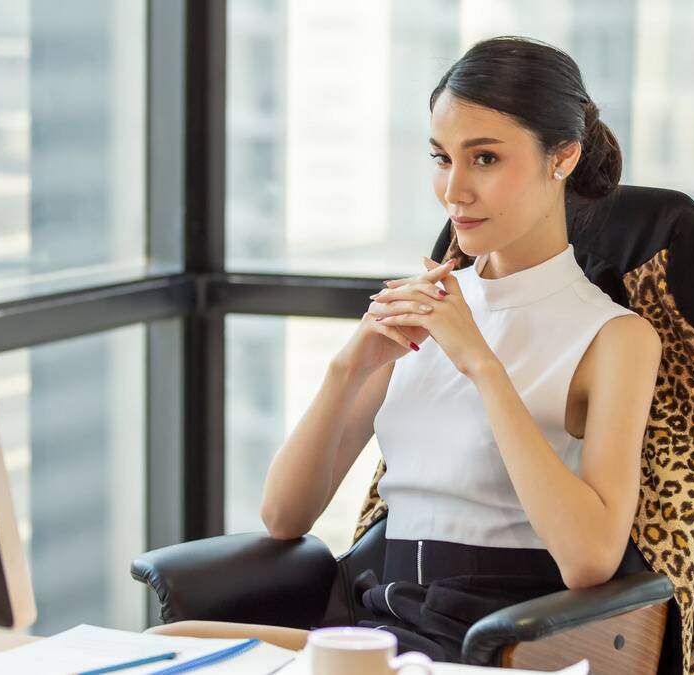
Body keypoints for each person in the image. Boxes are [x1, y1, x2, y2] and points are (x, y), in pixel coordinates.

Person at [148, 35, 661, 663]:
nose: (454, 192)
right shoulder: (426, 308)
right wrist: (349, 366)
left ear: (563, 157)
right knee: (164, 648)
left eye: (486, 159)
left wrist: (481, 364)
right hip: (374, 618)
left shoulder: (614, 338)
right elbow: (284, 515)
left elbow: (590, 559)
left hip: (487, 639)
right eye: (442, 158)